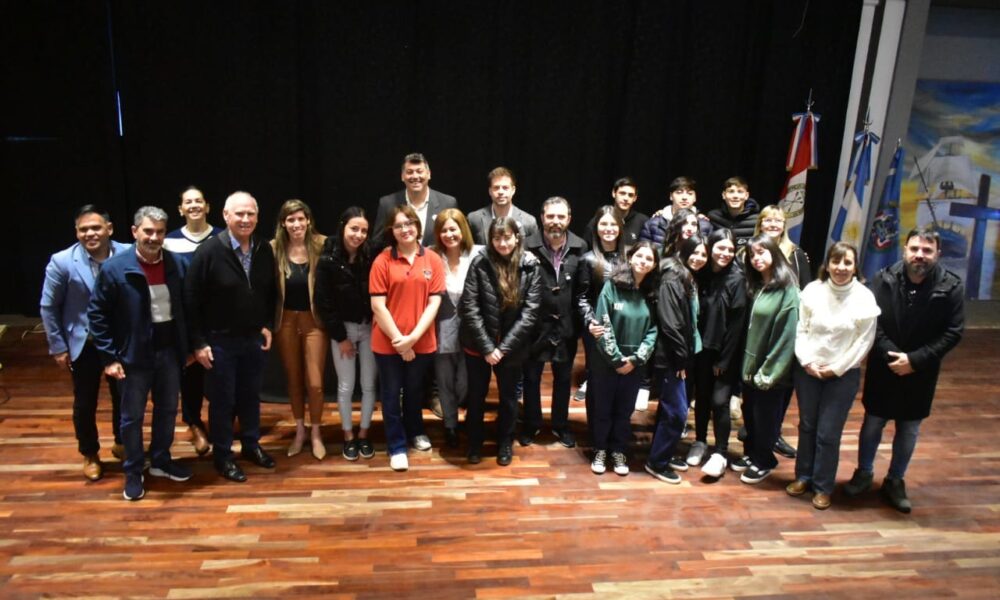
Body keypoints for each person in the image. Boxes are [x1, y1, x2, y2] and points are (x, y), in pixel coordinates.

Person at [843, 227, 964, 513]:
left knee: (909, 429)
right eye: (915, 249)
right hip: (884, 368)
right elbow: (872, 323)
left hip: (921, 371)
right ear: (905, 250)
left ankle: (895, 480)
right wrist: (893, 356)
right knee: (872, 424)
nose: (920, 255)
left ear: (937, 254)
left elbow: (953, 331)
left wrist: (915, 360)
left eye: (927, 250)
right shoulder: (882, 278)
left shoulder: (951, 286)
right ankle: (864, 472)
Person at [88, 206, 193, 500]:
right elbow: (97, 315)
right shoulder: (115, 268)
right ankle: (133, 471)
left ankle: (160, 460)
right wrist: (109, 358)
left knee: (168, 409)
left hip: (169, 352)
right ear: (135, 232)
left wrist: (188, 347)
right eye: (148, 231)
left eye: (159, 232)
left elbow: (186, 309)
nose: (154, 237)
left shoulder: (177, 265)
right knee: (132, 417)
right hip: (133, 356)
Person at [185, 191, 277, 483]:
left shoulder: (264, 248)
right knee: (223, 401)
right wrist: (199, 343)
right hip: (219, 341)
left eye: (251, 214)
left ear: (257, 217)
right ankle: (223, 456)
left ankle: (251, 444)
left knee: (250, 396)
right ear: (226, 216)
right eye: (239, 213)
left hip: (252, 340)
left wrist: (266, 324)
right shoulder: (209, 251)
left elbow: (269, 291)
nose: (245, 219)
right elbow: (191, 300)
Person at [788, 242, 879, 510]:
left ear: (855, 266)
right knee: (807, 426)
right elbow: (801, 329)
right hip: (809, 371)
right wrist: (807, 362)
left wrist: (836, 368)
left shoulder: (864, 297)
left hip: (842, 376)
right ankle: (803, 476)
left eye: (847, 262)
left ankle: (823, 486)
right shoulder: (813, 291)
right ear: (826, 265)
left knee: (828, 433)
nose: (841, 268)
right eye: (835, 262)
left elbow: (864, 341)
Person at [40, 205, 128, 482]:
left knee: (124, 396)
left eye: (96, 228)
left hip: (120, 341)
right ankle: (90, 453)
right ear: (77, 232)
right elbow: (48, 306)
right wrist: (58, 346)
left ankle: (122, 443)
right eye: (83, 229)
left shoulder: (129, 253)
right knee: (85, 401)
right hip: (84, 342)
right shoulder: (62, 261)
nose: (90, 233)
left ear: (109, 229)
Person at [459, 217, 541, 466]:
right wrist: (487, 347)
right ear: (490, 239)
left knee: (508, 398)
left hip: (511, 348)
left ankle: (505, 441)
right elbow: (469, 307)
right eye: (497, 238)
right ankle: (475, 442)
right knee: (476, 396)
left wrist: (503, 348)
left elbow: (530, 313)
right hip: (478, 345)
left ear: (517, 237)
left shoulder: (530, 265)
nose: (502, 243)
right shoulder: (479, 262)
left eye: (507, 237)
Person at [370, 205, 445, 471]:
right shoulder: (382, 261)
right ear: (391, 230)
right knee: (391, 395)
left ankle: (416, 431)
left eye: (409, 223)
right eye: (399, 225)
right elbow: (378, 306)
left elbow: (434, 303)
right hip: (388, 343)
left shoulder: (432, 259)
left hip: (421, 342)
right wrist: (400, 342)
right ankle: (397, 445)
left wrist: (412, 339)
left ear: (418, 227)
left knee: (415, 392)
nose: (405, 229)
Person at [733, 234, 799, 485]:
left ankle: (764, 461)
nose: (756, 258)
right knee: (751, 415)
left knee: (766, 419)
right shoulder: (757, 285)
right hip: (751, 367)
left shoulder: (788, 290)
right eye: (752, 254)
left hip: (772, 371)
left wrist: (769, 372)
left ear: (775, 253)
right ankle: (752, 454)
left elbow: (786, 337)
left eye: (761, 252)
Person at [521, 197, 587, 448]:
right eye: (550, 216)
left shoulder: (580, 246)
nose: (555, 222)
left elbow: (582, 289)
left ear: (569, 219)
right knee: (531, 378)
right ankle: (532, 423)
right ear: (542, 218)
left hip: (566, 327)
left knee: (563, 379)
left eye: (561, 216)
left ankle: (560, 424)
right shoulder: (526, 245)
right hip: (534, 327)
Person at [589, 241, 659, 476]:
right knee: (603, 408)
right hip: (606, 362)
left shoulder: (652, 293)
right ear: (630, 258)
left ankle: (618, 450)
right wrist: (617, 359)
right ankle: (600, 449)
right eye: (640, 256)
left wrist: (636, 360)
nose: (643, 262)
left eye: (649, 259)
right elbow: (603, 324)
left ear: (654, 265)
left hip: (635, 365)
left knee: (624, 410)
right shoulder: (612, 286)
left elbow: (654, 330)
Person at [163, 186, 222, 456]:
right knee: (191, 378)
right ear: (180, 209)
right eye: (188, 202)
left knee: (220, 376)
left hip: (218, 320)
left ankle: (221, 423)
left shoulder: (223, 237)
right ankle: (195, 424)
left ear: (207, 207)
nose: (194, 205)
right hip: (186, 321)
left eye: (199, 200)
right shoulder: (169, 242)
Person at [315, 207, 377, 461]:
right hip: (344, 330)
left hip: (370, 327)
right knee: (346, 385)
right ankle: (348, 435)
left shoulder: (370, 255)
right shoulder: (328, 259)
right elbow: (324, 302)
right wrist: (340, 337)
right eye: (354, 229)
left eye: (363, 230)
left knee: (369, 384)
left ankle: (364, 433)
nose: (359, 235)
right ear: (343, 227)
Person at [644, 236, 708, 483]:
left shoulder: (686, 276)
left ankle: (662, 454)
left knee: (669, 410)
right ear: (685, 251)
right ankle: (657, 462)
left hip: (680, 355)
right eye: (695, 252)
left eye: (704, 254)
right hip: (671, 357)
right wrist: (681, 359)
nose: (699, 258)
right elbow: (670, 323)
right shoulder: (673, 277)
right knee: (677, 413)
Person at [753, 204, 813, 459]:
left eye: (778, 220)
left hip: (787, 326)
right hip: (758, 326)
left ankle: (774, 432)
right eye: (768, 220)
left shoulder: (797, 254)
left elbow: (806, 290)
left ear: (784, 225)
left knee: (781, 382)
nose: (773, 224)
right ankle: (754, 430)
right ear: (760, 224)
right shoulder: (752, 250)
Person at [271, 199, 328, 460]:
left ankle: (316, 433)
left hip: (314, 321)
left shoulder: (322, 244)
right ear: (283, 223)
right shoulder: (274, 248)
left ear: (308, 220)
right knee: (293, 379)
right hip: (285, 321)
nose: (296, 224)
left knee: (314, 383)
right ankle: (300, 430)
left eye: (300, 219)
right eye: (291, 219)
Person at [687, 228, 746, 477]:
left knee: (720, 402)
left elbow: (736, 325)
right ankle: (700, 441)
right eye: (720, 247)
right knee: (701, 397)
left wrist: (724, 359)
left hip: (725, 353)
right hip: (702, 350)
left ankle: (720, 451)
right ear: (710, 248)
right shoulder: (702, 274)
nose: (725, 253)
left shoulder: (737, 278)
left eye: (730, 249)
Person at [431, 208, 483, 449]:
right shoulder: (432, 256)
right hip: (441, 328)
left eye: (453, 229)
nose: (449, 234)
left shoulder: (478, 254)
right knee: (444, 380)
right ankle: (450, 425)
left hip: (472, 330)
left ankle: (463, 414)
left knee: (465, 382)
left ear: (463, 229)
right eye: (444, 230)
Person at [575, 206, 625, 419]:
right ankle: (597, 430)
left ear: (620, 227)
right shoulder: (588, 259)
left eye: (613, 224)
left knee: (621, 379)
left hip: (624, 327)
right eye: (604, 224)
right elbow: (581, 297)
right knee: (597, 381)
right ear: (596, 227)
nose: (608, 228)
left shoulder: (629, 257)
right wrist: (591, 322)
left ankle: (617, 427)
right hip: (598, 329)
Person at [373, 153, 457, 248]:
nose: (415, 176)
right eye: (410, 172)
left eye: (419, 171)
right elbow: (377, 243)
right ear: (402, 176)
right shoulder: (387, 204)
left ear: (429, 174)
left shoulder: (448, 203)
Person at [467, 167, 540, 245]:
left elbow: (534, 250)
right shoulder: (474, 219)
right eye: (496, 188)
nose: (500, 192)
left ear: (513, 190)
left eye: (505, 188)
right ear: (490, 191)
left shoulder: (529, 221)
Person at [639, 176, 711, 245]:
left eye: (690, 193)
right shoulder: (653, 224)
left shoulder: (704, 225)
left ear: (695, 197)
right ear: (671, 196)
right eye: (679, 192)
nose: (684, 197)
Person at [582, 177, 648, 247]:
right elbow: (587, 247)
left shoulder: (643, 221)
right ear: (614, 193)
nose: (626, 198)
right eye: (622, 193)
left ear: (635, 198)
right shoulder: (599, 221)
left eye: (630, 195)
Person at [706, 176, 760, 250]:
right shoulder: (713, 216)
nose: (735, 196)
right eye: (731, 191)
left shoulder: (757, 220)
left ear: (746, 195)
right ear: (724, 195)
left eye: (740, 192)